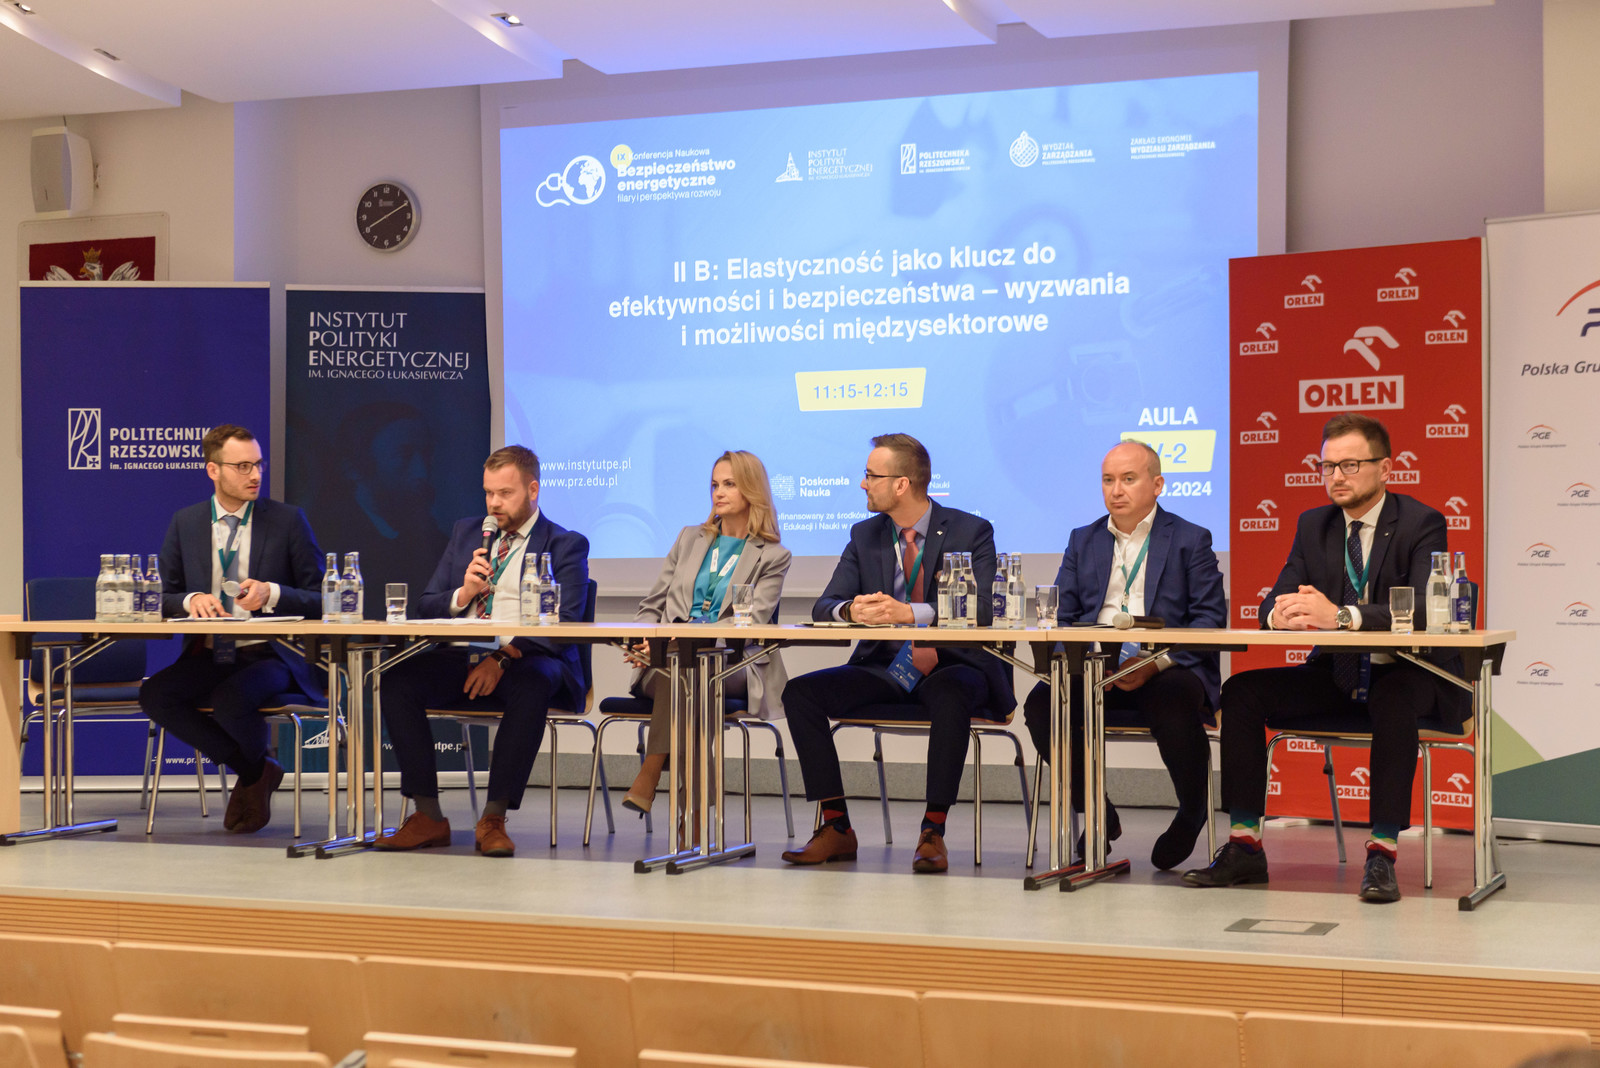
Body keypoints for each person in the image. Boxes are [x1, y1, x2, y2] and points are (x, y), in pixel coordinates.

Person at [1183, 413, 1468, 903]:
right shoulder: (1314, 525)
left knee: (1394, 699)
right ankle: (1246, 844)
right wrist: (1280, 616)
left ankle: (1381, 854)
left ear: (1386, 468)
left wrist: (1341, 616)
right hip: (1338, 674)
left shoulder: (1421, 522)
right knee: (1242, 692)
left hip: (1408, 672)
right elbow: (1272, 601)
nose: (1337, 476)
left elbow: (1426, 608)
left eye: (1350, 465)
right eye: (1327, 466)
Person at [780, 433, 1015, 874]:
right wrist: (852, 610)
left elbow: (984, 608)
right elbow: (825, 605)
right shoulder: (865, 534)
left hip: (953, 663)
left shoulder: (970, 530)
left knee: (950, 694)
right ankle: (836, 825)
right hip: (886, 666)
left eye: (871, 475)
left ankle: (932, 831)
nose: (863, 483)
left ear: (902, 484)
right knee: (800, 693)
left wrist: (910, 613)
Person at [374, 445, 590, 859]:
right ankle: (428, 815)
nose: (494, 504)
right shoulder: (467, 533)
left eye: (505, 493)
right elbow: (428, 605)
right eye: (489, 493)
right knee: (397, 680)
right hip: (464, 655)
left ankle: (493, 818)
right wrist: (463, 593)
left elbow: (565, 622)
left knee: (532, 684)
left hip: (529, 657)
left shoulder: (565, 544)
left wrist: (504, 656)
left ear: (533, 490)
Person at [1024, 440, 1226, 870]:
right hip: (1097, 666)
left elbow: (1210, 620)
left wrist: (1155, 663)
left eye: (1129, 479)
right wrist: (1071, 661)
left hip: (1165, 665)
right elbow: (1061, 616)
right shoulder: (1083, 539)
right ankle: (1097, 809)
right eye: (1108, 480)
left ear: (1157, 485)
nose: (1116, 490)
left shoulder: (1190, 538)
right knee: (1044, 704)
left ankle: (1192, 810)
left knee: (1174, 699)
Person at [139, 424, 325, 835]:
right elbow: (160, 595)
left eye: (258, 464)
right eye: (242, 466)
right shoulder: (186, 522)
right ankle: (255, 770)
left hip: (273, 653)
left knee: (230, 699)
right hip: (211, 651)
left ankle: (251, 778)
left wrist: (273, 593)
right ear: (213, 470)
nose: (255, 475)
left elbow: (322, 598)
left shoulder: (287, 521)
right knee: (155, 694)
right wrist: (190, 600)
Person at [619, 451, 791, 814]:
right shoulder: (689, 538)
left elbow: (754, 621)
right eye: (715, 484)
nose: (719, 492)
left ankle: (651, 770)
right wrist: (643, 639)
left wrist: (682, 640)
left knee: (691, 670)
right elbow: (652, 604)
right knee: (685, 674)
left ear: (752, 490)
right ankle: (696, 812)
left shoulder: (773, 555)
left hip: (731, 664)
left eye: (730, 484)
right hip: (666, 663)